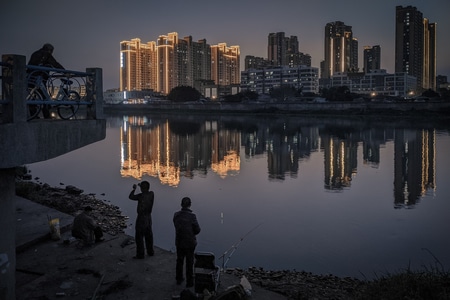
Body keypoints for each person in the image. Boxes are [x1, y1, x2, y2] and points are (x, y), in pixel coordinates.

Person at [27, 43, 65, 118]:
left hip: (31, 76)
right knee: (45, 97)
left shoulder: (35, 53)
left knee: (33, 96)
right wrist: (64, 72)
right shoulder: (46, 54)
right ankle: (47, 116)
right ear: (50, 50)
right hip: (40, 78)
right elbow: (55, 64)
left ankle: (33, 115)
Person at [173, 197, 201, 288]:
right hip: (190, 243)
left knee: (179, 260)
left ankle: (179, 279)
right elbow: (197, 230)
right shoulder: (192, 216)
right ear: (190, 205)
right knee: (190, 262)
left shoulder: (176, 215)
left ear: (181, 204)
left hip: (179, 241)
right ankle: (189, 282)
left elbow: (176, 225)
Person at [129, 180, 155, 259]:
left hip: (141, 218)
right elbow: (146, 190)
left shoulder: (140, 196)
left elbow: (131, 197)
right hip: (148, 217)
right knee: (149, 236)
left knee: (139, 237)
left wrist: (134, 189)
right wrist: (141, 186)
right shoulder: (151, 194)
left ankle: (140, 254)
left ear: (142, 189)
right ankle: (150, 252)